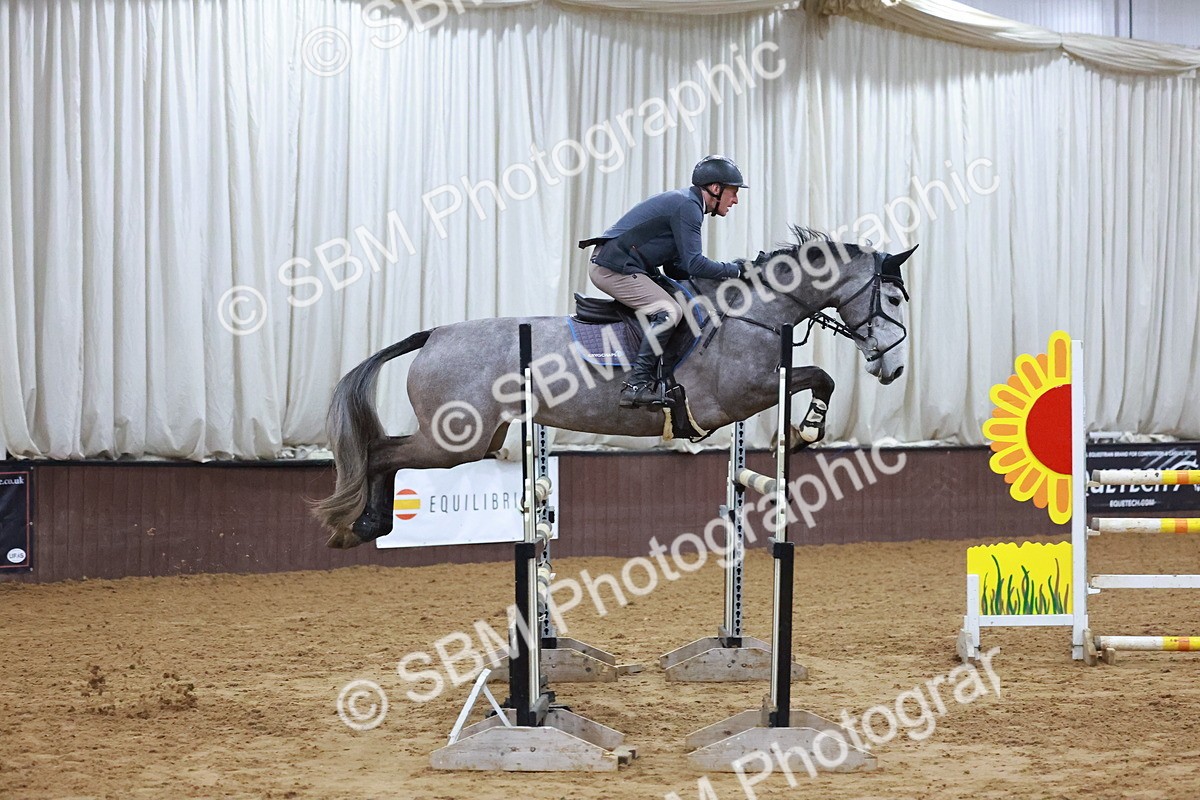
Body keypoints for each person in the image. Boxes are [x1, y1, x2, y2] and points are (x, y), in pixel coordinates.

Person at [579, 155, 747, 409]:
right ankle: (636, 385)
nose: (735, 200)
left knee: (683, 301)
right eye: (733, 193)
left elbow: (676, 267)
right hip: (612, 268)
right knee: (669, 311)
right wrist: (735, 271)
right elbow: (694, 264)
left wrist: (720, 276)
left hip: (626, 265)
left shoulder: (688, 203)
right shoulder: (688, 207)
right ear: (716, 188)